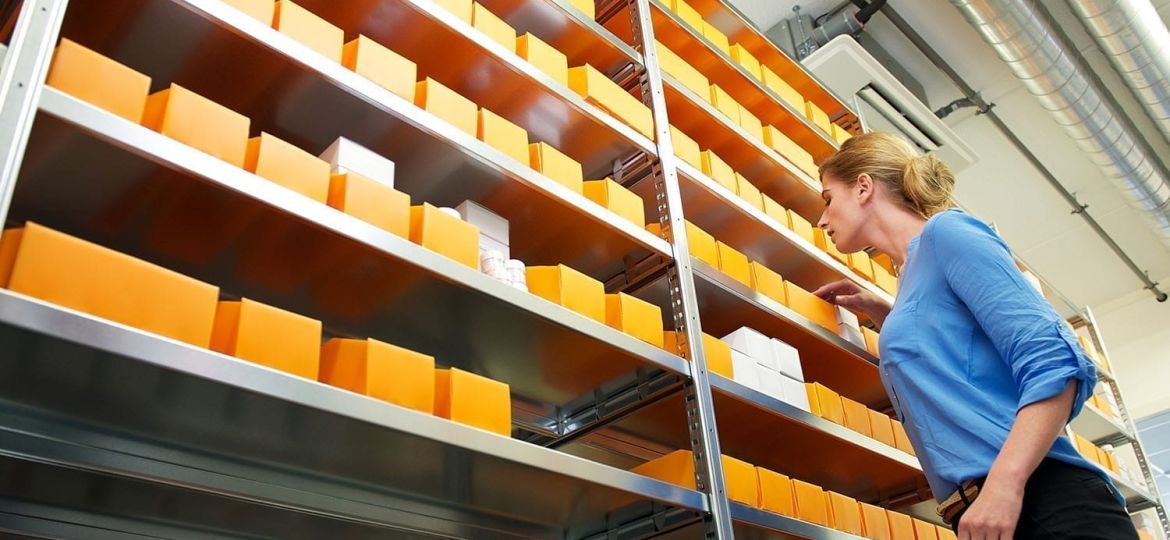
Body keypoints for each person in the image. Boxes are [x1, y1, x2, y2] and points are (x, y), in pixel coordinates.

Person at [811, 132, 1138, 539]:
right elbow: (958, 358)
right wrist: (884, 314)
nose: (821, 219)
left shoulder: (948, 233)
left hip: (1042, 500)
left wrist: (1004, 484)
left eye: (827, 199)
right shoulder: (911, 275)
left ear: (863, 187)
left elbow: (1056, 361)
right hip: (983, 510)